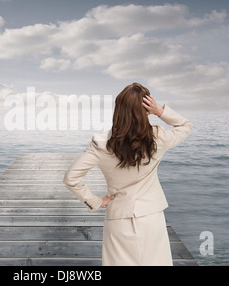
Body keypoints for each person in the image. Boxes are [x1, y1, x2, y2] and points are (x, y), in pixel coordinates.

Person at [63, 82, 193, 266]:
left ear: (118, 110)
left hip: (119, 218)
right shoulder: (158, 137)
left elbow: (71, 178)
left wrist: (95, 202)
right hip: (151, 217)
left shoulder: (101, 144)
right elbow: (185, 125)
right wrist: (158, 111)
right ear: (145, 109)